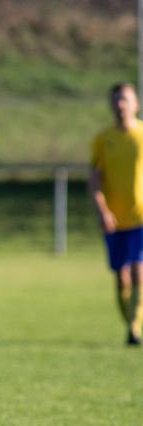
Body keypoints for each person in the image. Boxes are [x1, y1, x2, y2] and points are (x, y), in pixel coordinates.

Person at [90, 83, 143, 345]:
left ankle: (135, 326)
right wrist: (102, 210)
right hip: (114, 220)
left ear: (136, 104)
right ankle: (130, 324)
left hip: (141, 218)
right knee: (121, 277)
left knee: (138, 272)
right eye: (116, 100)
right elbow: (95, 179)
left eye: (125, 99)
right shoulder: (103, 139)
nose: (120, 104)